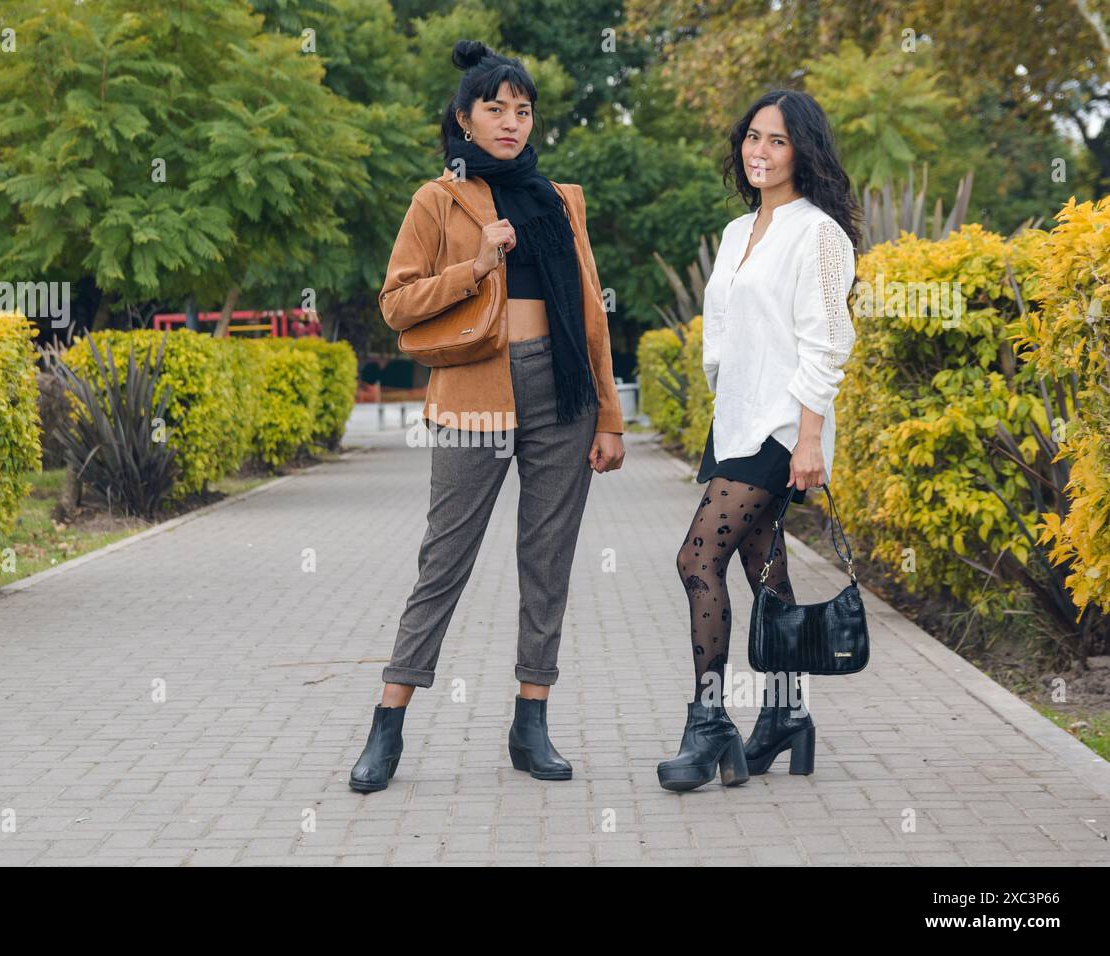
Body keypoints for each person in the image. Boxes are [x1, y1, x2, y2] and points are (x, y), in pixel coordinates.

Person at [349, 39, 626, 793]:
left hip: (563, 396)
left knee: (548, 563)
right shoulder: (439, 199)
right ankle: (389, 721)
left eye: (523, 109)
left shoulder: (559, 200)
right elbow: (397, 301)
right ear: (464, 119)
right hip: (477, 395)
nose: (511, 122)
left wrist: (609, 416)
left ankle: (530, 721)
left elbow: (592, 317)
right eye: (495, 109)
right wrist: (475, 266)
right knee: (445, 561)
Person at [657, 89, 860, 792]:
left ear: (803, 150)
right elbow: (725, 335)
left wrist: (810, 438)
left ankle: (709, 722)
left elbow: (827, 341)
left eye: (776, 140)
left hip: (780, 424)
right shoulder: (736, 230)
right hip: (737, 418)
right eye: (752, 137)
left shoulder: (819, 234)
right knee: (761, 570)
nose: (760, 152)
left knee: (693, 558)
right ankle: (786, 716)